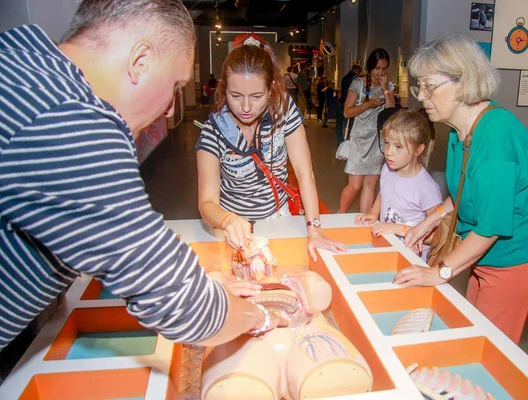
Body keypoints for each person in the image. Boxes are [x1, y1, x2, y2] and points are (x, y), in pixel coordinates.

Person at [0, 0, 287, 353]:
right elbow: (179, 302)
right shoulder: (68, 121)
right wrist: (258, 316)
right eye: (175, 85)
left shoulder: (22, 63)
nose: (169, 108)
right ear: (140, 62)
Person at [394, 33, 528, 344]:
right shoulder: (463, 130)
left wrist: (439, 272)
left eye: (429, 86)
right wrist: (429, 221)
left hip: (515, 264)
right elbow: (465, 190)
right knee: (467, 331)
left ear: (462, 82)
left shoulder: (495, 140)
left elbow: (491, 227)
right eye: (420, 86)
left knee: (483, 350)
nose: (421, 96)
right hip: (487, 260)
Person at [195, 34, 347, 262]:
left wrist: (314, 230)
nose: (246, 107)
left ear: (271, 89)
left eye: (256, 96)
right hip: (231, 226)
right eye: (235, 96)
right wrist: (228, 220)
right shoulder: (213, 130)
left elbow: (305, 173)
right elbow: (207, 202)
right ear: (224, 89)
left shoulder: (283, 110)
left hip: (278, 217)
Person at [355, 110, 442, 261]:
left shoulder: (426, 187)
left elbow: (437, 236)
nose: (388, 152)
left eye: (398, 147)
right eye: (387, 143)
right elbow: (385, 191)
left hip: (410, 259)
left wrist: (398, 229)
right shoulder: (388, 168)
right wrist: (374, 212)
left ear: (418, 149)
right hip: (387, 247)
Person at [338, 48, 395, 213]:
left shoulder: (388, 86)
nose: (381, 72)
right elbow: (347, 112)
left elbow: (391, 110)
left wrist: (386, 89)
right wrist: (368, 104)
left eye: (384, 68)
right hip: (359, 139)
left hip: (378, 141)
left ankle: (363, 220)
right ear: (370, 67)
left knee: (370, 185)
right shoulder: (358, 83)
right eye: (378, 68)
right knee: (354, 185)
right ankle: (340, 213)